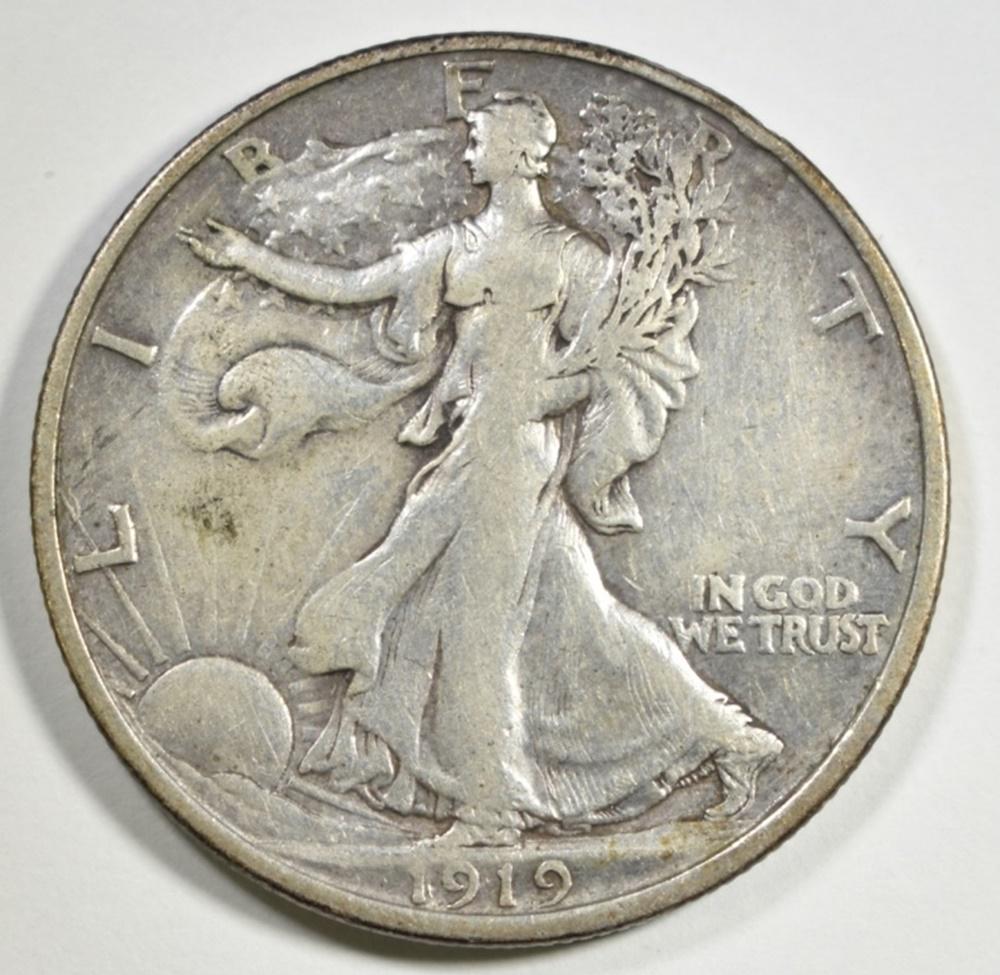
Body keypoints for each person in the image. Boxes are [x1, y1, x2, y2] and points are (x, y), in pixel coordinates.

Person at [181, 91, 782, 846]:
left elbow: (613, 364)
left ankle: (490, 812)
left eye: (481, 138)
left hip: (515, 453)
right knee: (586, 620)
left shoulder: (571, 258)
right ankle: (734, 739)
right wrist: (249, 259)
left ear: (522, 153)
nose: (468, 149)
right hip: (475, 444)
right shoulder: (455, 245)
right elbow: (354, 286)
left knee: (474, 630)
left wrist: (538, 395)